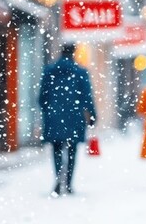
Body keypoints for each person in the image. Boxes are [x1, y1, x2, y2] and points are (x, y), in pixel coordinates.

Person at [39, 44, 96, 196]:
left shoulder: (49, 71)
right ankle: (69, 183)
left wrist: (48, 111)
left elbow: (42, 96)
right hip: (74, 116)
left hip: (54, 116)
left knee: (56, 149)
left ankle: (58, 179)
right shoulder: (80, 72)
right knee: (72, 150)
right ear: (73, 53)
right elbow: (87, 96)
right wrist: (92, 115)